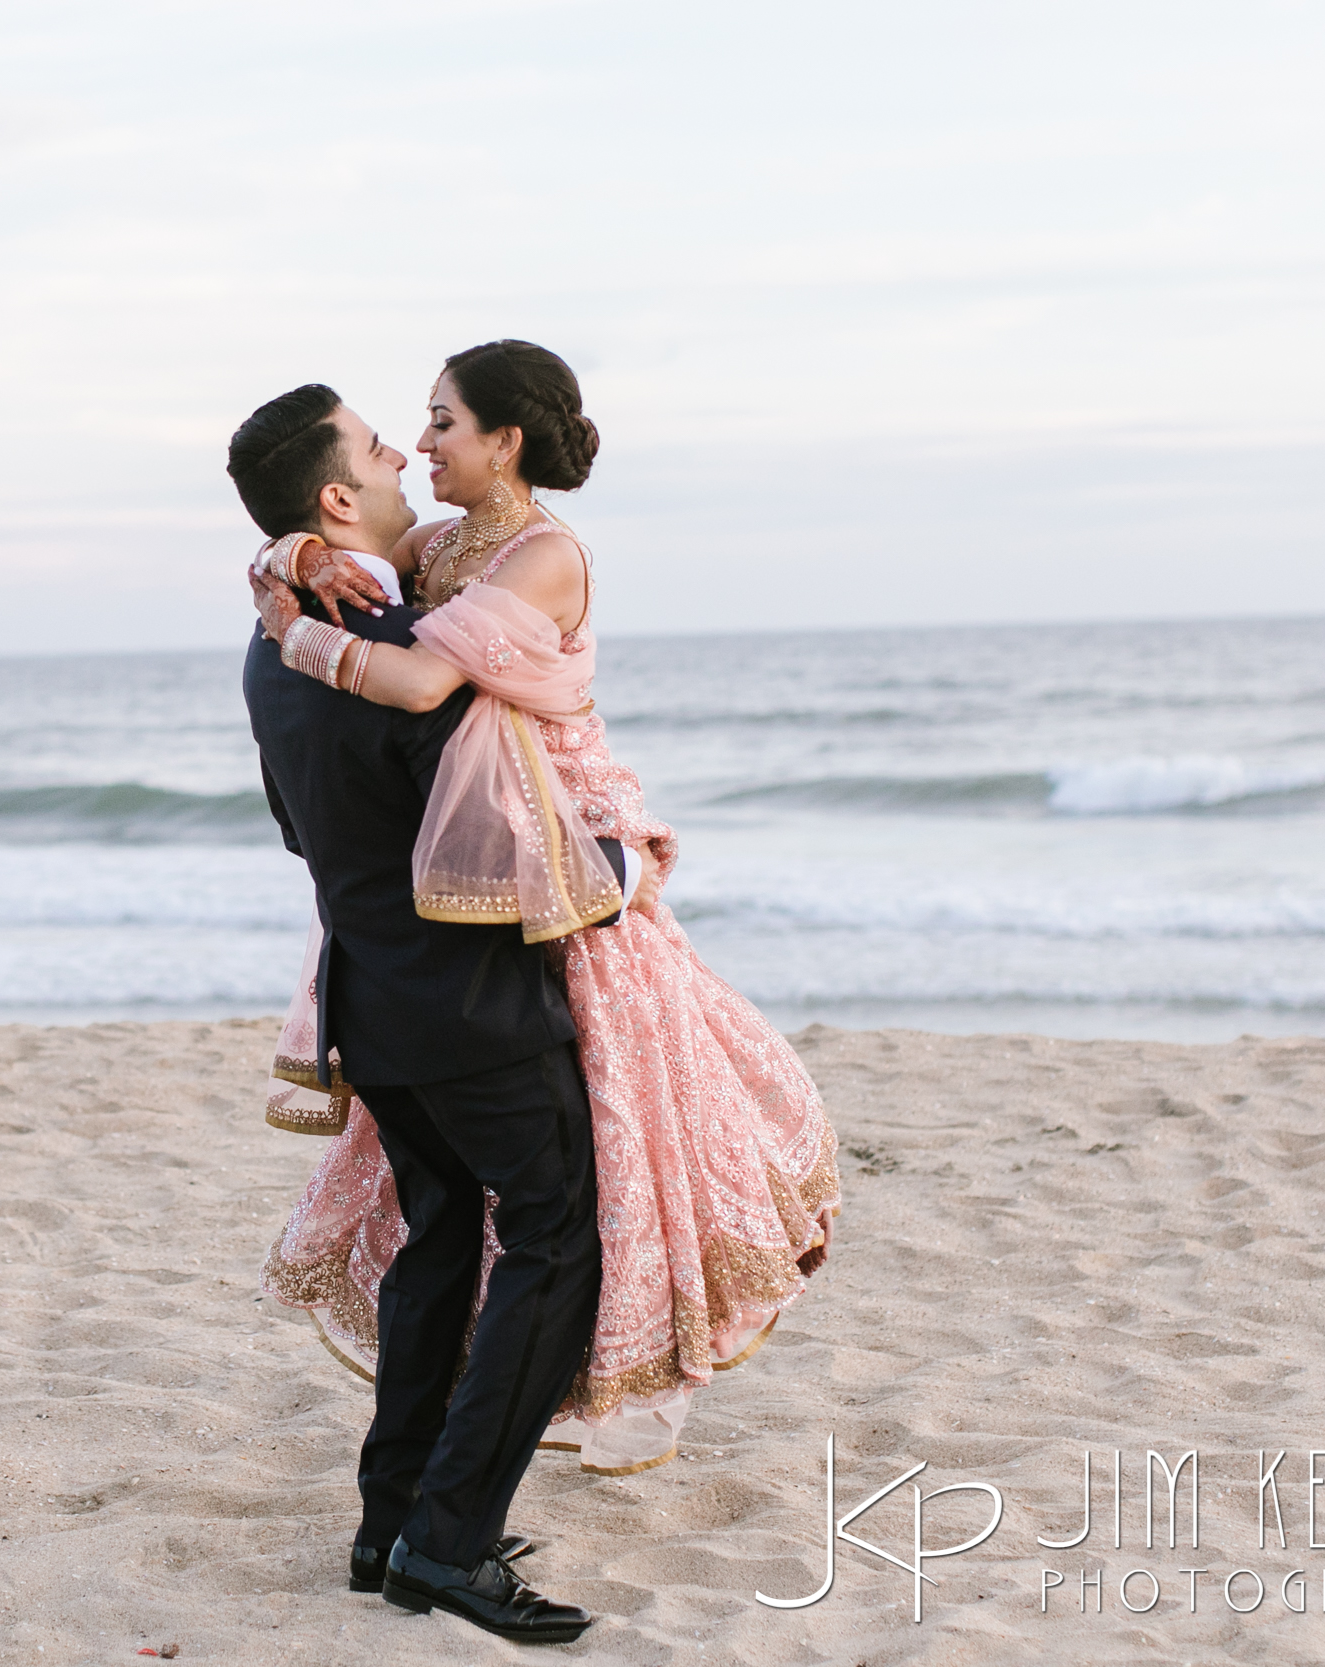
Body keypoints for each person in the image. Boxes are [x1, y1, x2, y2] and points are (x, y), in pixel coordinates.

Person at [252, 340, 842, 1479]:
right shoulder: (438, 545)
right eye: (415, 425)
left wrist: (295, 632)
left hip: (567, 840)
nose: (421, 444)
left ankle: (602, 1368)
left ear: (505, 439)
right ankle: (489, 1403)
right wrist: (295, 552)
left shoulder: (545, 555)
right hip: (487, 844)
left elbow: (422, 680)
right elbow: (332, 547)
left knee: (617, 1117)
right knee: (516, 1162)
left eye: (441, 422)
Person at [228, 382, 600, 1645]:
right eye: (381, 446)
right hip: (471, 1007)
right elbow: (503, 834)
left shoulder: (272, 643)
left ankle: (389, 1528)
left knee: (442, 1239)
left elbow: (300, 830)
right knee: (556, 1238)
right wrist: (620, 864)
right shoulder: (408, 657)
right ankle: (445, 1541)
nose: (403, 454)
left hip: (368, 999)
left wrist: (280, 562)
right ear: (339, 496)